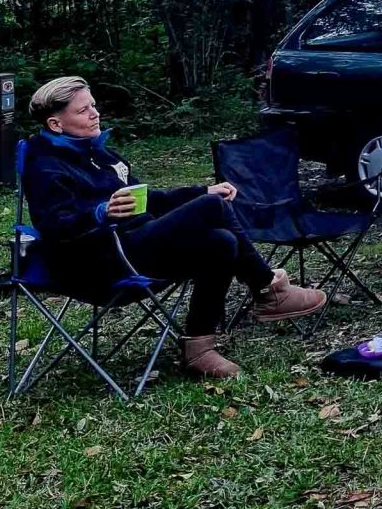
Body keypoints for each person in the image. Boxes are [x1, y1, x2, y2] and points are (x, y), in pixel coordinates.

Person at [21, 76, 326, 379]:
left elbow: (149, 200)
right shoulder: (46, 166)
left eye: (94, 106)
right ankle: (267, 288)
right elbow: (55, 228)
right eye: (82, 110)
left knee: (220, 242)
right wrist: (100, 213)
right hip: (96, 263)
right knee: (214, 209)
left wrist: (202, 191)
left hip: (134, 244)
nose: (95, 114)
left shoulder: (97, 153)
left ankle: (200, 349)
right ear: (55, 124)